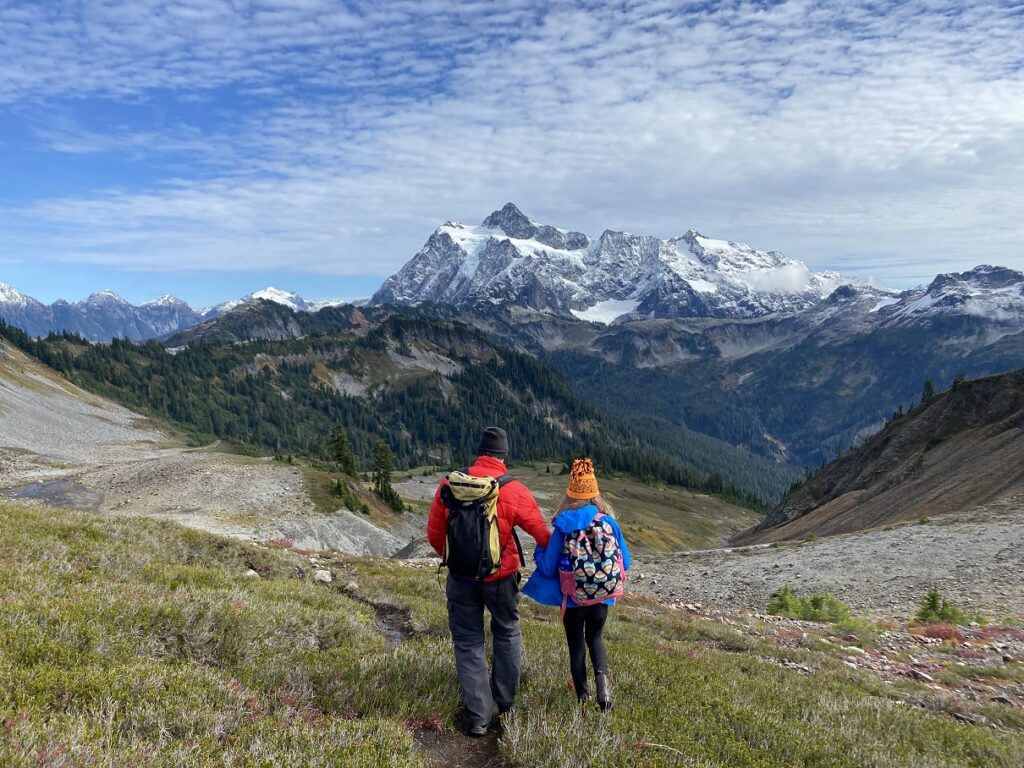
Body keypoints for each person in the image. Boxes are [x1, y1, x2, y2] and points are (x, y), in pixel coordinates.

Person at [427, 426, 552, 737]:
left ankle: (479, 717)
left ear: (479, 452)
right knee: (507, 631)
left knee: (468, 641)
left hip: (461, 577)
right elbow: (542, 535)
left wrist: (456, 557)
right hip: (502, 576)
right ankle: (506, 703)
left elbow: (434, 533)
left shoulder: (450, 483)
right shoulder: (514, 489)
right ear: (504, 455)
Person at [523, 458, 630, 711]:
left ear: (570, 494)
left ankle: (582, 700)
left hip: (572, 599)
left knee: (576, 644)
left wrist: (539, 552)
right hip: (602, 597)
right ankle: (603, 690)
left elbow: (548, 567)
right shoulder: (609, 522)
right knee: (595, 637)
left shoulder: (562, 525)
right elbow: (626, 560)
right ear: (595, 493)